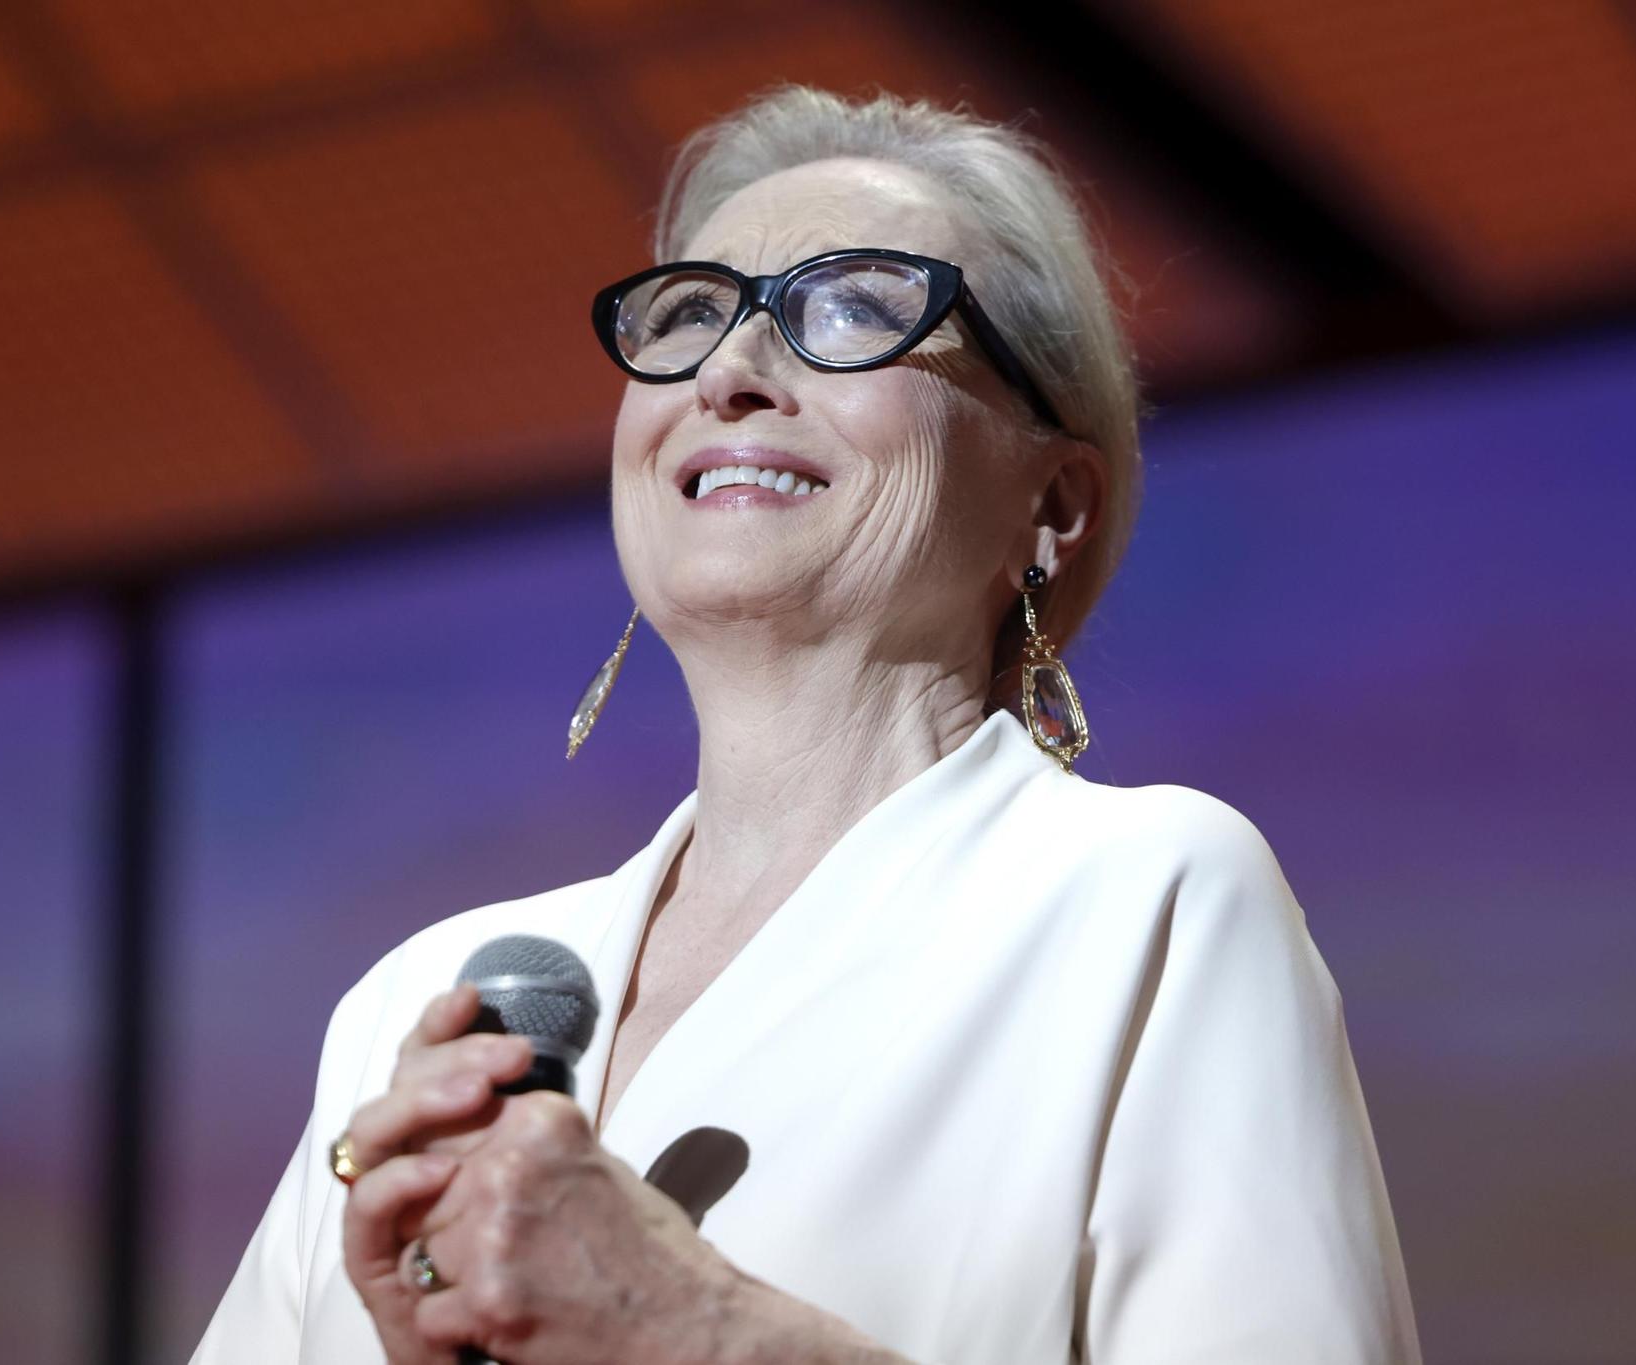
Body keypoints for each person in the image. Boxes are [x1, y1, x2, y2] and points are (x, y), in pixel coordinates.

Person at [191, 85, 1422, 1365]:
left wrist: (704, 1335)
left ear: (1051, 500)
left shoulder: (1141, 898)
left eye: (853, 308)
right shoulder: (424, 1000)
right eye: (686, 315)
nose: (727, 371)